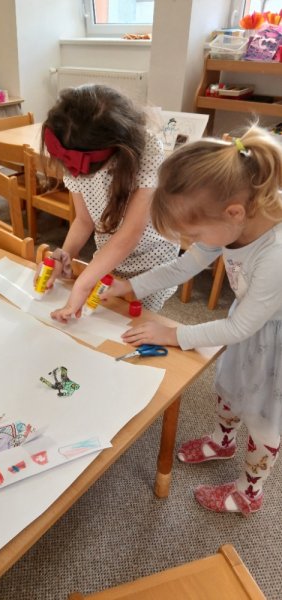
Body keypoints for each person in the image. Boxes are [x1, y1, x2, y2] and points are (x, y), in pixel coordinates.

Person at [101, 124, 282, 515]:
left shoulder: (274, 253)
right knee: (229, 386)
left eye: (196, 232)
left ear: (234, 213)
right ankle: (223, 441)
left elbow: (240, 327)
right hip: (249, 323)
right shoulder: (232, 221)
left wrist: (173, 333)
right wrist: (129, 287)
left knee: (265, 418)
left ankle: (250, 493)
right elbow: (183, 267)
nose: (193, 241)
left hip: (274, 342)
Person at [37, 84, 179, 322]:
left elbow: (130, 234)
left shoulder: (149, 150)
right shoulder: (72, 145)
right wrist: (65, 255)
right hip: (109, 253)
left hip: (151, 259)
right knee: (102, 318)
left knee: (130, 321)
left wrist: (82, 284)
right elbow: (84, 220)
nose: (76, 174)